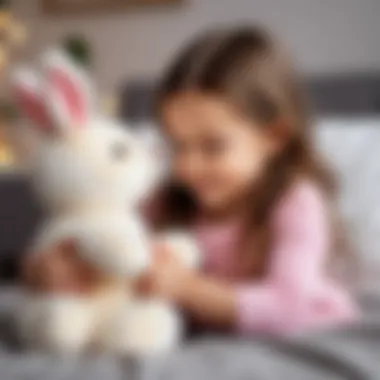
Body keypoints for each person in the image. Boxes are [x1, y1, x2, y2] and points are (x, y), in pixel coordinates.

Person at [23, 26, 357, 336]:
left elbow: (290, 306)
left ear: (273, 137)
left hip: (294, 326)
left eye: (213, 147)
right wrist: (45, 271)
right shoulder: (167, 201)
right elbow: (106, 242)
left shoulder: (295, 202)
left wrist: (188, 289)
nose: (187, 167)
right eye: (176, 145)